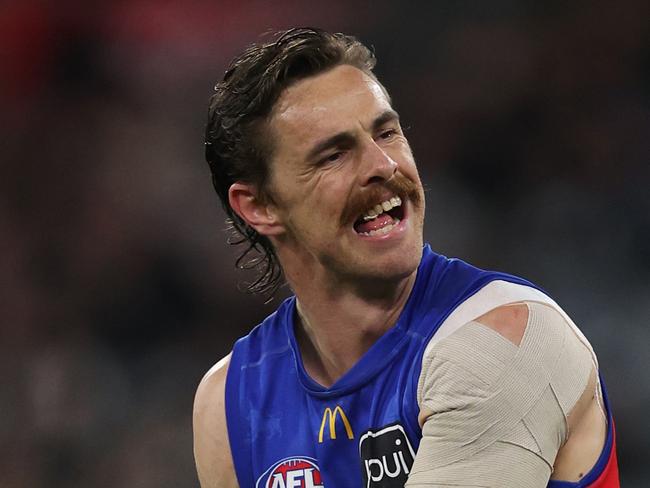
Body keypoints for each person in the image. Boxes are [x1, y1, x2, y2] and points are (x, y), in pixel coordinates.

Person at [193, 28, 619, 488]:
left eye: (387, 132)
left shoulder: (505, 340)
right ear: (260, 207)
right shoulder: (231, 403)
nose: (383, 165)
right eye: (333, 155)